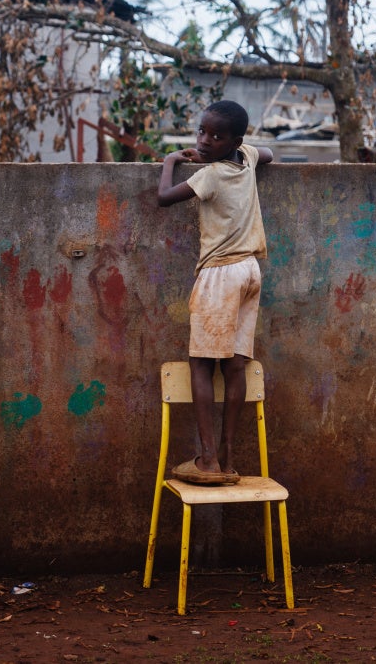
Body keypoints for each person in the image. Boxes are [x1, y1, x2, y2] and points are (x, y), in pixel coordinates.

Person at [157, 100, 274, 485]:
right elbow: (269, 152)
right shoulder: (248, 159)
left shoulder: (210, 175)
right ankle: (227, 455)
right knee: (235, 364)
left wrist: (173, 160)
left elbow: (164, 197)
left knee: (201, 365)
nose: (205, 141)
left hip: (220, 273)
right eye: (201, 132)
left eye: (216, 136)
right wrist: (239, 147)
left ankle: (207, 460)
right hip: (251, 271)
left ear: (234, 139)